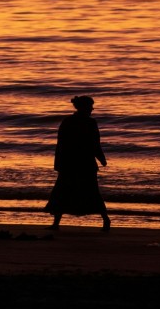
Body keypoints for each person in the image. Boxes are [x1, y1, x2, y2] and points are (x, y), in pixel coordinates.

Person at [45, 95, 111, 231]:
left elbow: (60, 145)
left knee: (64, 190)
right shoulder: (89, 123)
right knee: (90, 191)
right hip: (84, 163)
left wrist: (58, 164)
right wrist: (101, 158)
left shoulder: (68, 121)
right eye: (90, 106)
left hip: (70, 163)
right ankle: (106, 220)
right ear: (84, 107)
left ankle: (56, 223)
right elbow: (95, 144)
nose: (92, 109)